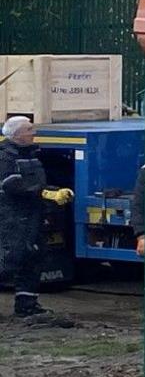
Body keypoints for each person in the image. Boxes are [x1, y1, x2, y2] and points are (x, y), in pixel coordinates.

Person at [2, 115, 72, 319]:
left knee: (33, 258)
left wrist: (54, 191)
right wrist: (44, 193)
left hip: (32, 216)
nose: (34, 133)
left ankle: (26, 304)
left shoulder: (32, 154)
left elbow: (36, 183)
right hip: (11, 219)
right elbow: (11, 184)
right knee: (8, 260)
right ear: (17, 135)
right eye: (29, 130)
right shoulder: (5, 156)